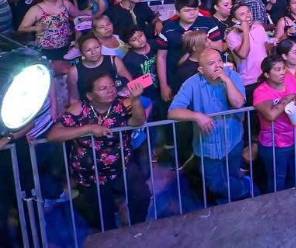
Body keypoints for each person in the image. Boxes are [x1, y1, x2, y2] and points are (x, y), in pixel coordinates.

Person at [47, 74, 150, 230]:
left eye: (112, 86)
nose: (110, 90)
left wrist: (135, 100)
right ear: (90, 95)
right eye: (103, 88)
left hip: (121, 166)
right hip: (91, 174)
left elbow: (138, 121)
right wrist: (88, 129)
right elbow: (53, 135)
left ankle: (137, 230)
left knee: (142, 196)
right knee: (103, 215)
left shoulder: (122, 104)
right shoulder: (79, 109)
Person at [168, 49, 251, 202]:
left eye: (219, 61)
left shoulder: (232, 76)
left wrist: (227, 81)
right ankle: (241, 192)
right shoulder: (191, 83)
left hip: (232, 141)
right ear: (201, 69)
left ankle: (235, 200)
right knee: (215, 184)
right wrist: (196, 116)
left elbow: (239, 103)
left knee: (233, 175)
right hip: (207, 146)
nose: (218, 66)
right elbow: (173, 112)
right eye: (212, 63)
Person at [253, 55, 296, 193]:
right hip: (275, 144)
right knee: (278, 180)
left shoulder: (289, 78)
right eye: (277, 69)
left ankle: (294, 199)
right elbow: (270, 115)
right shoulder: (261, 92)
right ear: (267, 74)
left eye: (283, 68)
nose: (283, 72)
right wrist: (286, 100)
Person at [227, 2, 275, 101]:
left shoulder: (259, 28)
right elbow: (243, 54)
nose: (248, 15)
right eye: (242, 14)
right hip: (249, 82)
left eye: (248, 11)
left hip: (266, 77)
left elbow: (267, 51)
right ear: (235, 20)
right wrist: (245, 31)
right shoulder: (232, 36)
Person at [66, 34, 132, 105]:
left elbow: (130, 84)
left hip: (117, 103)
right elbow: (74, 98)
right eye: (88, 50)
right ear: (81, 53)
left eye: (97, 47)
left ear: (101, 47)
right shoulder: (74, 71)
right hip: (90, 107)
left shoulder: (114, 60)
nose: (93, 52)